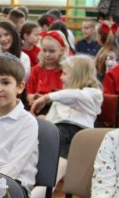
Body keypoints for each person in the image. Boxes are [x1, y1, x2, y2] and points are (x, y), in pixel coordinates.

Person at [31, 55, 103, 184]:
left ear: (78, 76)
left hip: (78, 134)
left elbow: (77, 96)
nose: (60, 77)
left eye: (64, 74)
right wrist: (43, 119)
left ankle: (42, 186)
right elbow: (54, 118)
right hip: (57, 133)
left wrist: (46, 97)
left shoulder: (93, 94)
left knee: (54, 172)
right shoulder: (61, 96)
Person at [0, 53, 38, 194]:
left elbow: (14, 168)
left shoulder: (28, 123)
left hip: (14, 185)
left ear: (19, 87)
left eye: (5, 82)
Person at [27, 31, 68, 107]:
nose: (47, 54)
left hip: (59, 108)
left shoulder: (65, 70)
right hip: (39, 108)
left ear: (61, 51)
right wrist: (31, 97)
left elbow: (68, 95)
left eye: (52, 51)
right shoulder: (36, 70)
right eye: (44, 50)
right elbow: (30, 92)